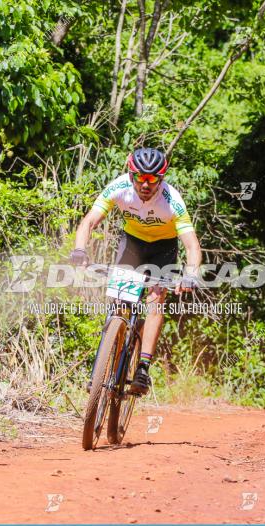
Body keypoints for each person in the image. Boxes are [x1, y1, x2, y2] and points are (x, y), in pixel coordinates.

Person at [70, 147, 202, 395]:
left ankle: (142, 367)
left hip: (163, 249)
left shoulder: (172, 200)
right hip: (132, 244)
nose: (146, 184)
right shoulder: (119, 187)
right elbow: (89, 222)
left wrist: (191, 274)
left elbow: (192, 245)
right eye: (140, 177)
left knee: (156, 300)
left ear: (161, 179)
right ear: (131, 175)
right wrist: (79, 249)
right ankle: (103, 365)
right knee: (119, 302)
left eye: (153, 179)